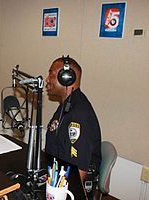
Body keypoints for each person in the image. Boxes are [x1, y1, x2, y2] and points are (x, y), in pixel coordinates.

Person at [45, 56, 102, 199]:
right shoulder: (66, 106)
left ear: (66, 78)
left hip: (69, 188)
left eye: (51, 75)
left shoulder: (80, 115)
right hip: (56, 176)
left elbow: (79, 173)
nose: (47, 80)